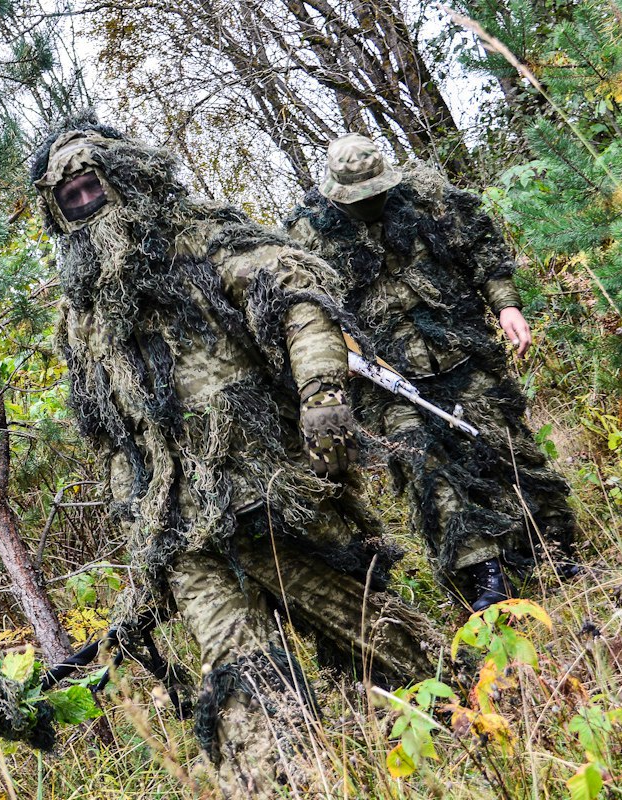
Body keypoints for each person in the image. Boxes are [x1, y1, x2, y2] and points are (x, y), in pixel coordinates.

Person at [32, 118, 442, 797]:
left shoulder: (202, 241)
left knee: (379, 634)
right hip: (180, 533)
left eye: (93, 188)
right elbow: (112, 435)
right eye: (68, 198)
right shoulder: (81, 317)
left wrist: (321, 392)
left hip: (266, 497)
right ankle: (287, 783)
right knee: (243, 679)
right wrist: (142, 536)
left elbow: (299, 300)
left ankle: (472, 715)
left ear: (126, 179)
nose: (85, 207)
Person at [285, 133, 577, 612]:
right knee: (426, 466)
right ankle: (485, 572)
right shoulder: (307, 234)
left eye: (376, 193)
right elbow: (306, 309)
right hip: (385, 378)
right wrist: (339, 359)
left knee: (506, 446)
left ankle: (551, 549)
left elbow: (481, 247)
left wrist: (506, 306)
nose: (370, 204)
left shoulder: (427, 197)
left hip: (460, 348)